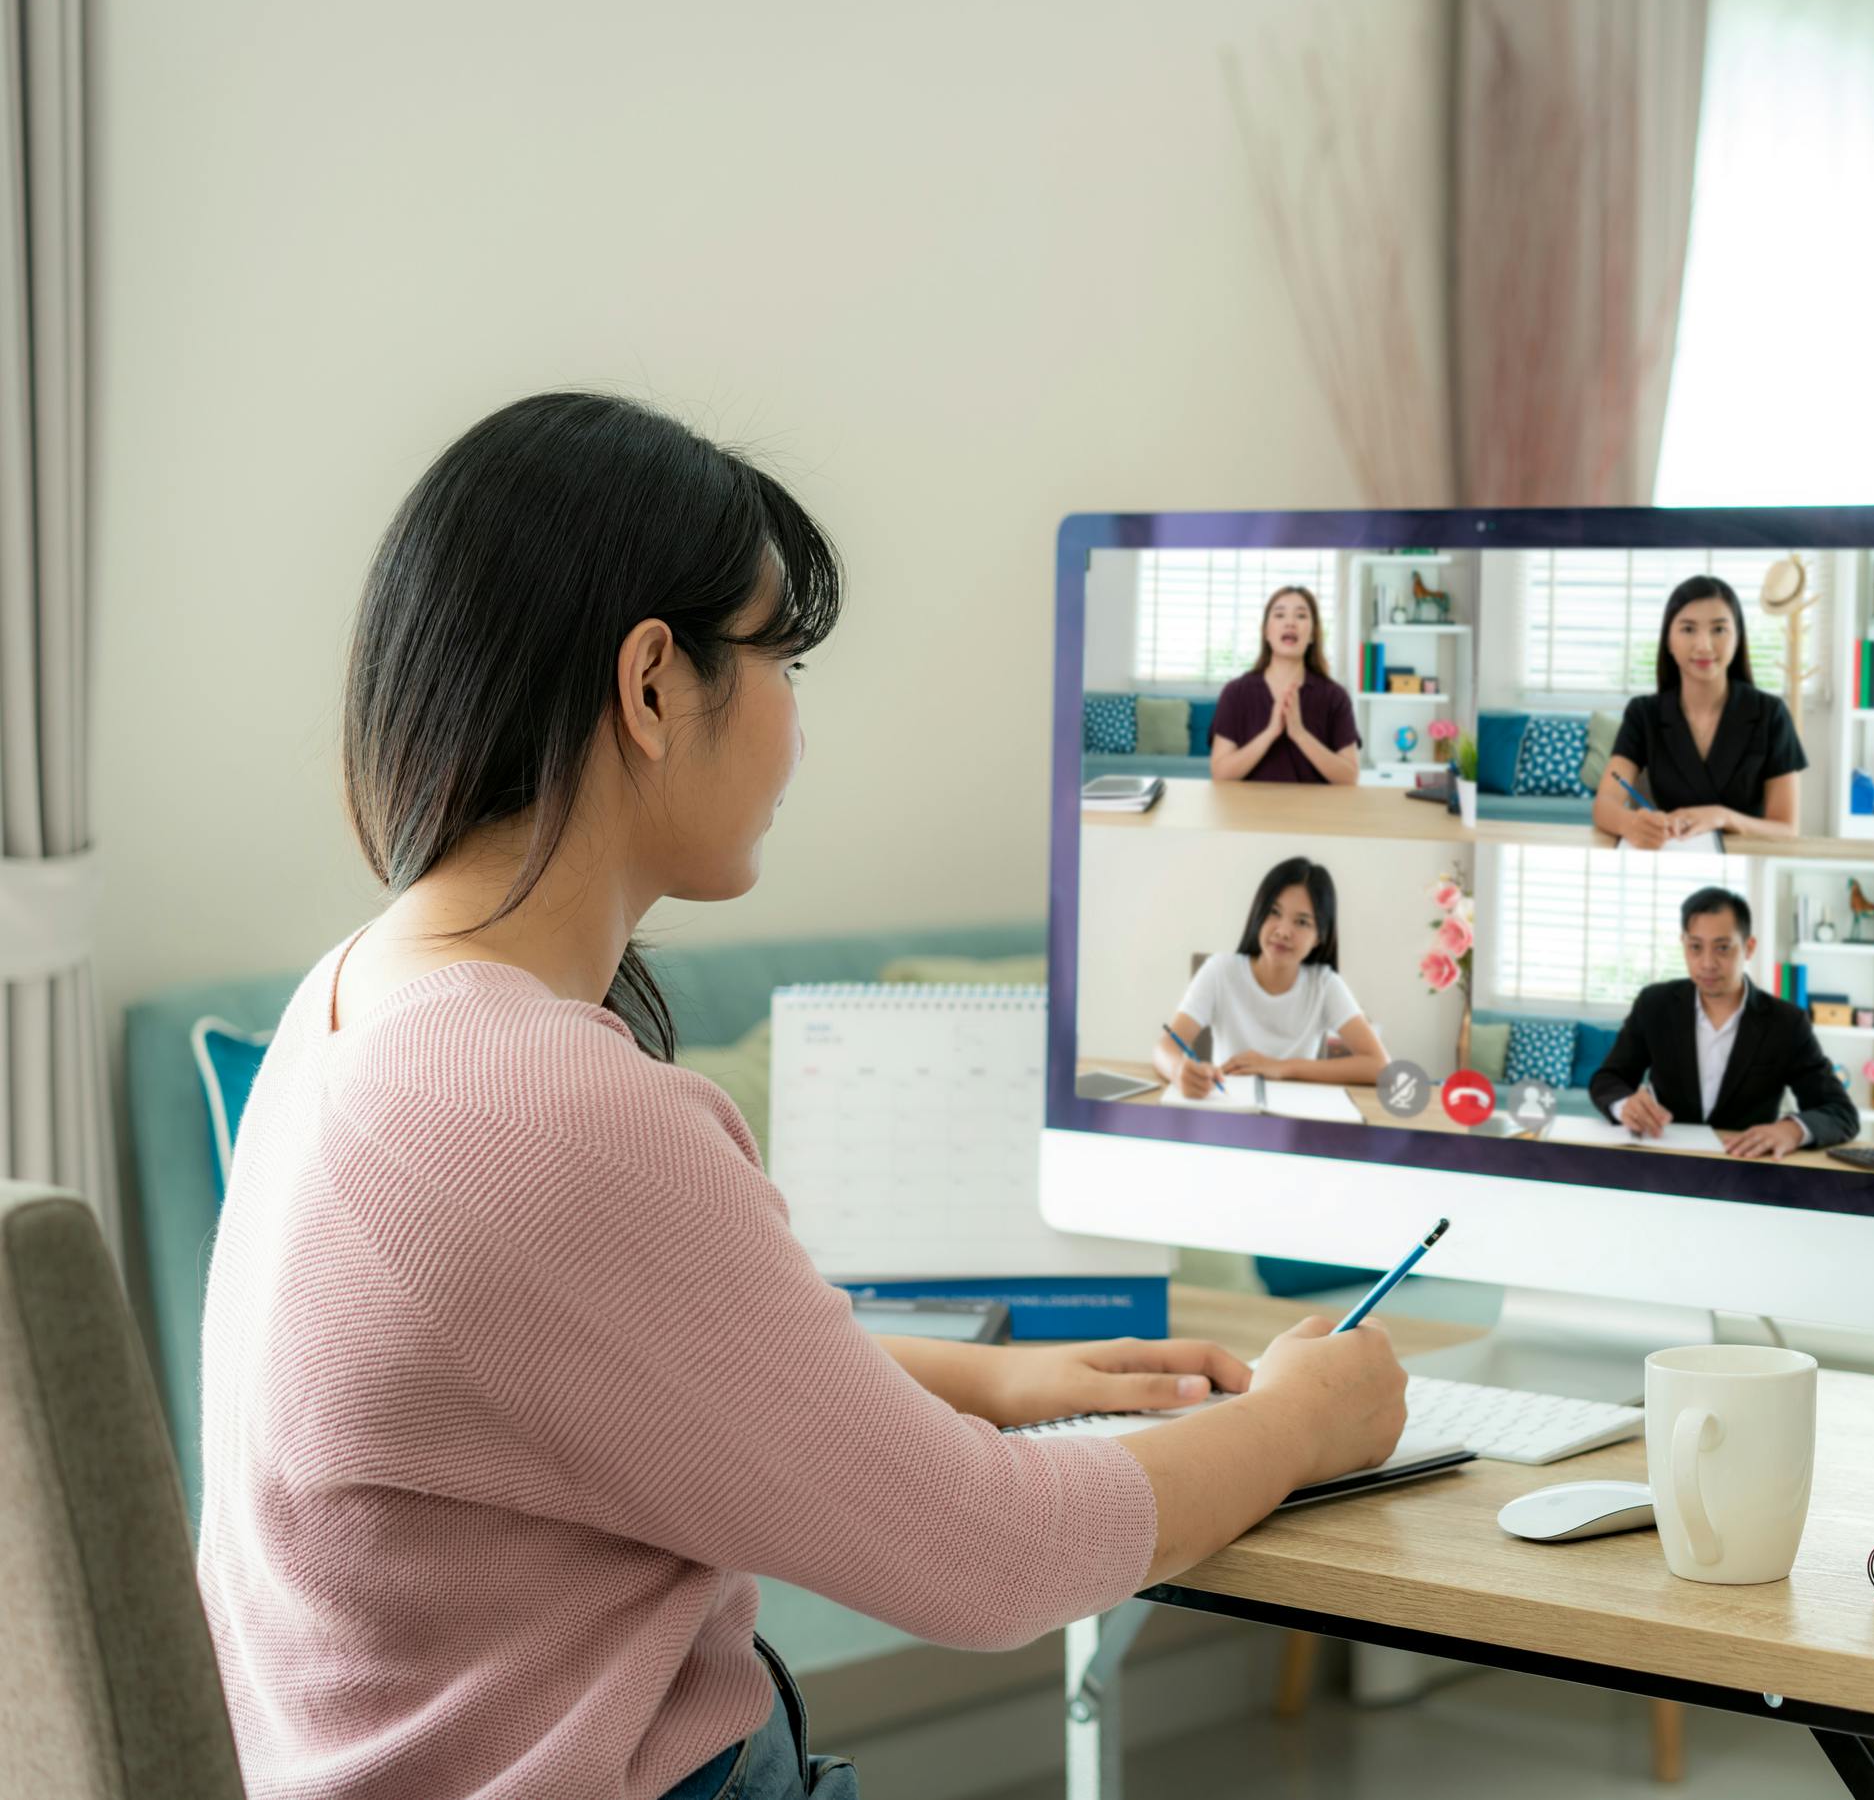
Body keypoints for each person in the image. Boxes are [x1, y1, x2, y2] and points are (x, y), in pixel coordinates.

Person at [196, 394, 1408, 1800]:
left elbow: (617, 1381)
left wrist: (985, 1378)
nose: (795, 732)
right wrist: (1301, 1419)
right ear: (652, 683)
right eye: (783, 664)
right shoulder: (554, 1115)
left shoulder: (351, 1000)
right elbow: (991, 1560)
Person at [1586, 887, 1859, 1159]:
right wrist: (1625, 1106)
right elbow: (1609, 1077)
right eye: (1695, 947)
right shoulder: (1654, 1004)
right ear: (1683, 944)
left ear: (1748, 947)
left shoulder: (1786, 1023)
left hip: (1746, 1168)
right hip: (1666, 1161)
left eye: (1723, 948)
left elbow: (1840, 1112)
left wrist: (1792, 1130)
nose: (1707, 963)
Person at [1593, 574, 1807, 848]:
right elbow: (1605, 804)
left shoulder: (1771, 714)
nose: (1704, 645)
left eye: (1718, 629)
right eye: (1688, 629)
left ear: (1738, 638)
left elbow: (1787, 829)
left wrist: (1721, 817)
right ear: (1668, 641)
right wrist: (1630, 823)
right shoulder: (1643, 713)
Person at [1154, 856, 1390, 1095]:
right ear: (1259, 913)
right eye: (1274, 912)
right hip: (1230, 1108)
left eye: (1302, 922)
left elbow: (1380, 1065)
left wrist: (1282, 1068)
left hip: (1295, 1119)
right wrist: (1178, 1070)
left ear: (1320, 936)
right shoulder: (1220, 971)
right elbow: (1164, 1049)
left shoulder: (1324, 984)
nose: (1284, 931)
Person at [1207, 584, 1362, 785]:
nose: (1290, 623)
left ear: (1313, 634)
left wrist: (1300, 734)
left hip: (1315, 814)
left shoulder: (1335, 696)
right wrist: (1271, 732)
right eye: (1280, 615)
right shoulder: (1236, 692)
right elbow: (1220, 773)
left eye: (1301, 616)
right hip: (1249, 813)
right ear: (1266, 632)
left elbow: (1350, 776)